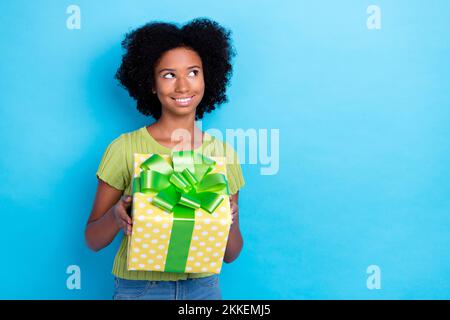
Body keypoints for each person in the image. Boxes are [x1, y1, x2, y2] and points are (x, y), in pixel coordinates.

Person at [84, 18, 245, 300]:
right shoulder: (124, 149)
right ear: (151, 83)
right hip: (139, 289)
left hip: (203, 289)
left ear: (208, 77)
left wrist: (228, 220)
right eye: (169, 75)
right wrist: (116, 217)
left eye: (193, 72)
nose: (183, 85)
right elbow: (92, 240)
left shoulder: (223, 155)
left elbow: (231, 254)